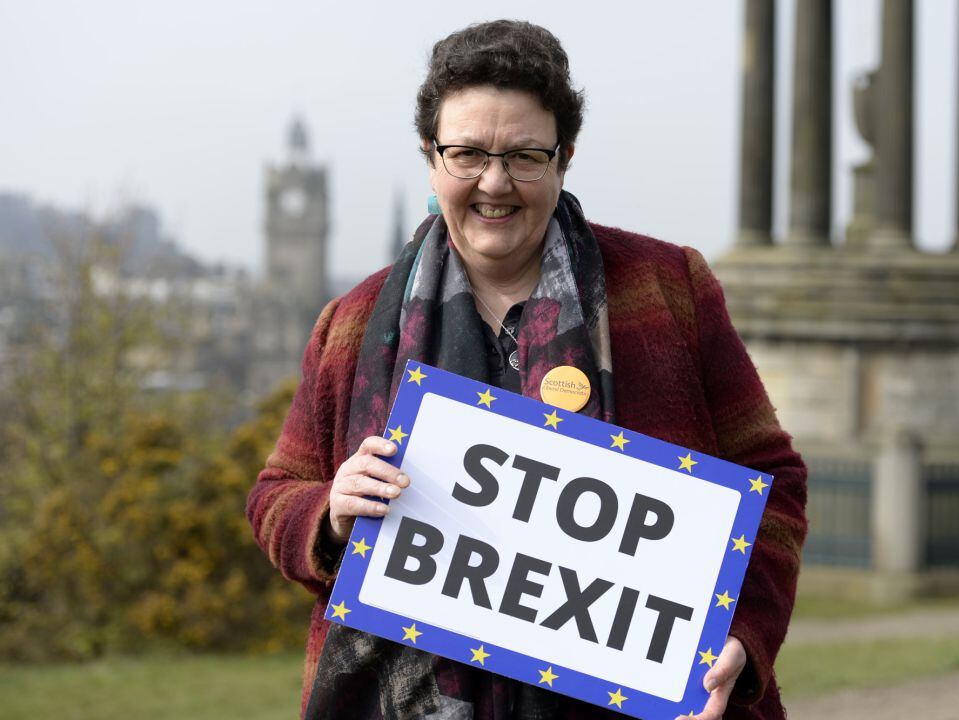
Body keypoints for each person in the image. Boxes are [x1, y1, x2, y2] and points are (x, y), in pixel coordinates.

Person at [247, 19, 807, 720]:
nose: (494, 182)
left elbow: (774, 479)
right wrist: (326, 511)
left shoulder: (668, 291)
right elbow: (275, 493)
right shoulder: (352, 323)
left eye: (524, 156)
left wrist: (743, 635)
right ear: (431, 157)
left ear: (564, 157)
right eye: (467, 154)